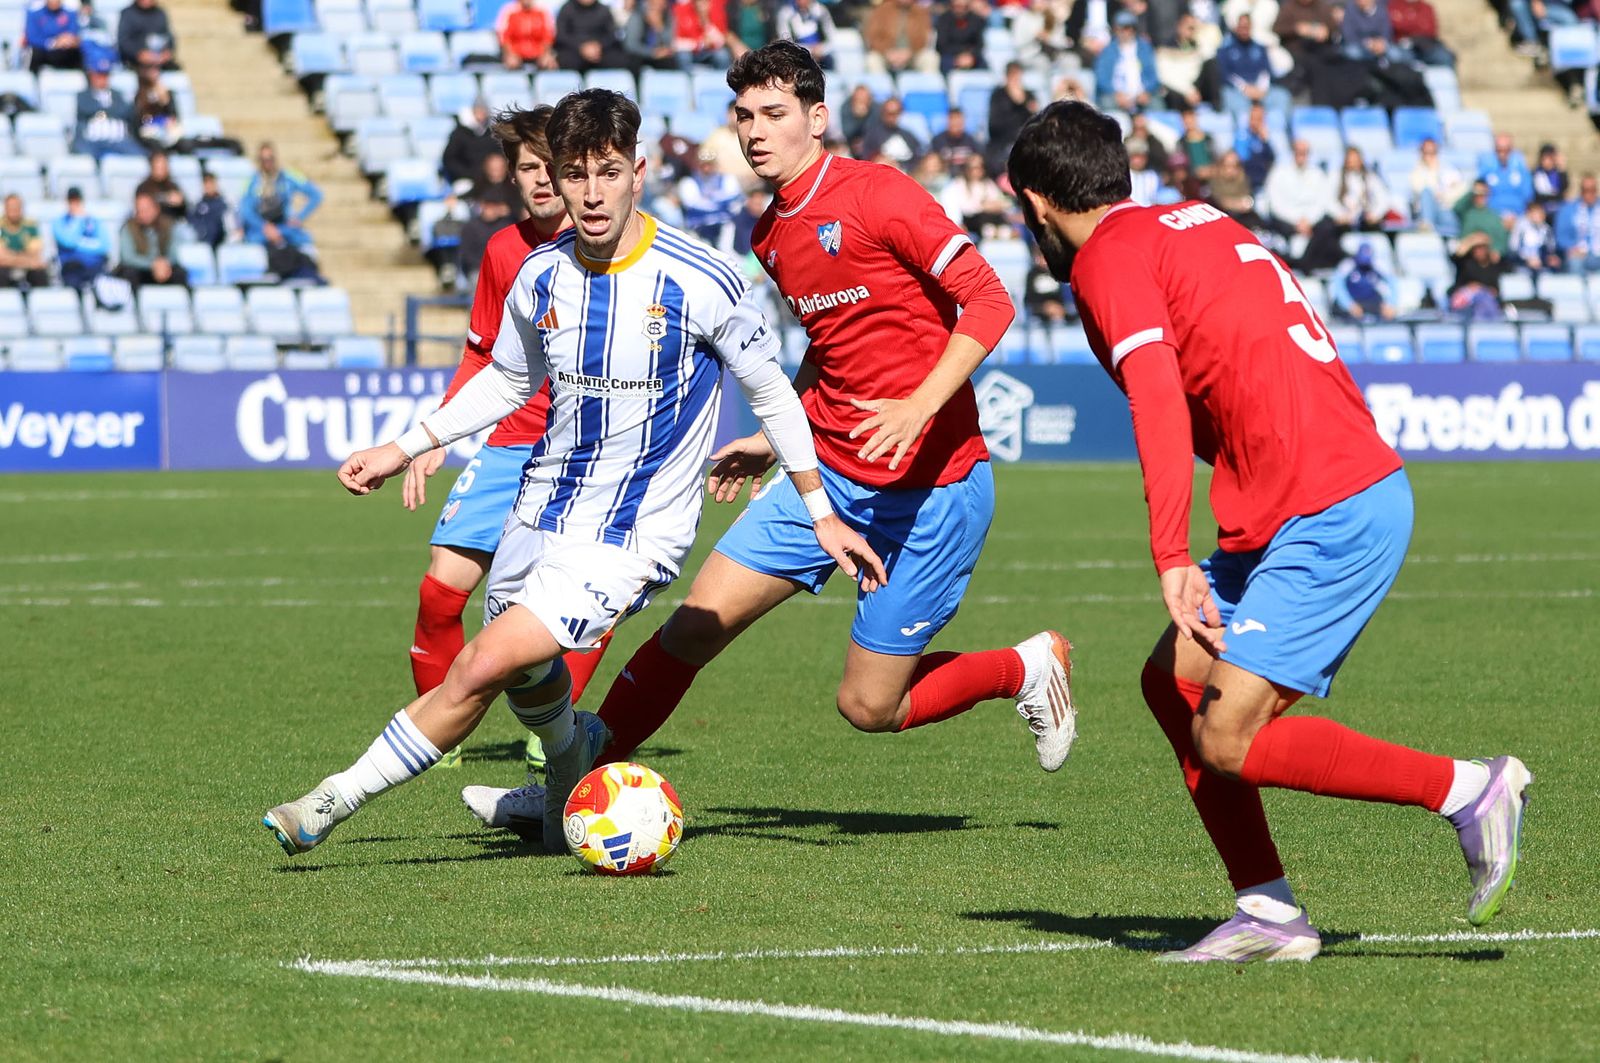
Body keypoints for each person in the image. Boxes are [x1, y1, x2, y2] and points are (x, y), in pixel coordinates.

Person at [462, 42, 1073, 832]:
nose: (755, 131)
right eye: (744, 115)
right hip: (829, 476)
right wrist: (776, 431)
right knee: (692, 625)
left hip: (933, 490)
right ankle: (572, 788)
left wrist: (919, 405)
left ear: (817, 120)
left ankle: (1023, 666)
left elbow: (988, 299)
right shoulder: (770, 234)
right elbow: (832, 341)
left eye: (774, 114)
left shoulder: (881, 194)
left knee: (868, 703)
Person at [262, 88, 886, 856]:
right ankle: (566, 777)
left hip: (632, 534)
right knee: (530, 681)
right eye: (575, 174)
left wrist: (819, 509)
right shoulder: (540, 275)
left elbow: (774, 397)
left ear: (639, 172)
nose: (591, 194)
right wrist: (405, 445)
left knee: (483, 662)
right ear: (554, 179)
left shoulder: (702, 279)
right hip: (538, 512)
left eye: (609, 172)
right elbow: (507, 381)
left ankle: (327, 802)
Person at [1007, 99, 1531, 964]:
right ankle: (1269, 911)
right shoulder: (1195, 219)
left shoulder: (1107, 258)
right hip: (1292, 499)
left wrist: (1172, 552)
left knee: (1226, 735)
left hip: (1325, 504)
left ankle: (1469, 790)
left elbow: (1159, 399)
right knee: (1172, 683)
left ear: (1035, 205)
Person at [401, 106, 623, 777]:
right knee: (441, 591)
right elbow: (480, 354)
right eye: (527, 167)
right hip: (509, 444)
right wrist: (436, 433)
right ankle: (440, 728)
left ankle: (552, 728)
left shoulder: (611, 244)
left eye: (548, 166)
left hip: (585, 452)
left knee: (584, 600)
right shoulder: (503, 250)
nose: (540, 180)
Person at [239, 142, 324, 277]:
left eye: (270, 158)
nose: (267, 162)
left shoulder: (289, 176)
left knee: (305, 243)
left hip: (285, 228)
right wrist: (265, 227)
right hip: (261, 231)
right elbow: (245, 209)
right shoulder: (252, 181)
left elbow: (316, 195)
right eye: (263, 159)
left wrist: (299, 217)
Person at [73, 57, 145, 160]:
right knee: (82, 154)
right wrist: (109, 111)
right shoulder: (83, 95)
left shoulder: (117, 95)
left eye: (105, 75)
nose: (102, 79)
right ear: (91, 75)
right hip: (93, 141)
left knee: (140, 154)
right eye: (98, 75)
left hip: (118, 140)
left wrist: (101, 112)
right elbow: (86, 109)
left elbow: (126, 111)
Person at [1215, 14, 1286, 117]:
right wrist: (1244, 88)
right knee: (1236, 104)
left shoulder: (1260, 48)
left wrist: (1261, 89)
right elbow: (1226, 75)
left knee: (1282, 96)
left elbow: (1266, 71)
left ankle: (1280, 131)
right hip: (1236, 91)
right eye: (1242, 27)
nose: (1244, 30)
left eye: (1247, 27)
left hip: (1260, 89)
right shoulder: (1225, 50)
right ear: (1236, 27)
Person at [116, 191, 189, 289]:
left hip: (164, 270)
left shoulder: (169, 225)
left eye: (146, 209)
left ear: (156, 209)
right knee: (129, 273)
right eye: (139, 210)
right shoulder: (128, 227)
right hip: (142, 270)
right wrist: (152, 265)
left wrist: (163, 265)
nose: (143, 214)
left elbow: (174, 253)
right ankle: (135, 303)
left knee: (180, 273)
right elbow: (128, 257)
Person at [678, 146, 745, 250]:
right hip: (699, 226)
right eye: (703, 165)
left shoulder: (727, 179)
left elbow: (735, 198)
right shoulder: (688, 182)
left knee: (727, 247)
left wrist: (710, 199)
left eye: (710, 164)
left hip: (724, 225)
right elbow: (694, 205)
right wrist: (719, 201)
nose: (707, 168)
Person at [1094, 11, 1159, 112]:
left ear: (1134, 29)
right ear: (1115, 29)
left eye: (1128, 28)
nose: (1125, 32)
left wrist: (1146, 92)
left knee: (1157, 105)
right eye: (1121, 28)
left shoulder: (1145, 48)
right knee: (1106, 104)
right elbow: (1102, 78)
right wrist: (1116, 94)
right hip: (1116, 95)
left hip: (1141, 95)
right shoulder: (1108, 50)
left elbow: (1153, 75)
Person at [53, 187, 113, 291]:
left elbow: (104, 246)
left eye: (77, 200)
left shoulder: (94, 221)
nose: (74, 204)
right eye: (71, 201)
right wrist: (78, 219)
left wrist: (79, 243)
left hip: (95, 266)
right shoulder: (59, 222)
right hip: (72, 267)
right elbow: (68, 242)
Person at [940, 152, 1011, 239]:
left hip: (991, 217)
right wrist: (982, 206)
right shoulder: (958, 184)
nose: (976, 171)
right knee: (982, 221)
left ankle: (1003, 233)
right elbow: (964, 207)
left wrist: (993, 206)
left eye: (980, 167)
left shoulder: (988, 184)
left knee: (1001, 221)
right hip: (972, 220)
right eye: (973, 168)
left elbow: (1000, 202)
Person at [863, 0, 937, 75]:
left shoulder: (921, 11)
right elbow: (873, 36)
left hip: (913, 54)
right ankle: (880, 86)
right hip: (887, 54)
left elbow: (923, 38)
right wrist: (887, 52)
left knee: (930, 58)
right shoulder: (882, 10)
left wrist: (910, 52)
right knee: (872, 60)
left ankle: (925, 86)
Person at [1409, 137, 1464, 236]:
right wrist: (1432, 170)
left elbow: (1460, 190)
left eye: (1432, 152)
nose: (1429, 156)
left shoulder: (1448, 168)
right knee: (1426, 192)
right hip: (1424, 212)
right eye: (1426, 152)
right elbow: (1420, 190)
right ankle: (1427, 226)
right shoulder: (1416, 171)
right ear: (1421, 153)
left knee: (1451, 220)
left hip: (1445, 209)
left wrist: (1444, 196)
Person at [1449, 230, 1509, 318]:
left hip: (1485, 297)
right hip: (1466, 296)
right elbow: (1456, 255)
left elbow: (1495, 290)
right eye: (1476, 248)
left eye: (1482, 248)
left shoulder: (1493, 265)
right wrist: (1472, 240)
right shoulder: (1465, 262)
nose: (1479, 251)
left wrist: (1479, 288)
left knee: (1484, 299)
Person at [1329, 243, 1397, 320]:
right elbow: (1338, 286)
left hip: (1369, 301)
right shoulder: (1347, 265)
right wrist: (1349, 305)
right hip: (1352, 301)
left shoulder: (1377, 265)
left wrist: (1390, 304)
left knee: (1386, 313)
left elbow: (1393, 282)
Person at [554, 0, 628, 71]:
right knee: (564, 61)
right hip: (574, 51)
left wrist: (599, 46)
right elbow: (561, 35)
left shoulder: (604, 10)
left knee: (622, 60)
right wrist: (581, 47)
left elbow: (612, 35)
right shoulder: (566, 9)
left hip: (600, 51)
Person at [443, 99, 498, 192]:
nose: (481, 114)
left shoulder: (492, 133)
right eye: (478, 110)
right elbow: (449, 159)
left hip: (490, 179)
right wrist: (469, 174)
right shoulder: (460, 133)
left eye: (483, 111)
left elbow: (498, 155)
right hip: (465, 179)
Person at [1333, 146, 1391, 231]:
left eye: (1355, 159)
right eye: (1350, 159)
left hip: (1365, 219)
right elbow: (1329, 199)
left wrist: (1375, 215)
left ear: (1361, 160)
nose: (1352, 162)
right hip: (1344, 218)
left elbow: (1384, 198)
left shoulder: (1370, 177)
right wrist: (1339, 214)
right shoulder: (1336, 177)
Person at [0, 194, 51, 290]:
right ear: (5, 208)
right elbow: (1, 257)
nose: (14, 210)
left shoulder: (30, 226)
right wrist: (27, 259)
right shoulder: (1, 226)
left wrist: (10, 257)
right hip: (6, 269)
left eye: (16, 207)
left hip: (27, 269)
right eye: (11, 207)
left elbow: (36, 256)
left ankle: (42, 303)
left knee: (40, 274)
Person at [1480, 135, 1534, 223]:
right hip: (1493, 218)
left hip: (1518, 217)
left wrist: (1515, 216)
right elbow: (1481, 197)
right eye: (1499, 150)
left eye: (1506, 150)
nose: (1502, 154)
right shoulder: (1486, 169)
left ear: (1511, 150)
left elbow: (1527, 196)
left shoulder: (1521, 170)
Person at [859, 95, 923, 167]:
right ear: (883, 113)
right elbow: (866, 158)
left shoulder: (908, 136)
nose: (892, 117)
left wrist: (900, 165)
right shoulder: (873, 135)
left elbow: (918, 158)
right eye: (889, 113)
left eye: (896, 113)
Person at [1555, 174, 1600, 274]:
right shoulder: (1568, 209)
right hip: (1578, 254)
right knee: (1574, 263)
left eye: (1592, 190)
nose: (1589, 194)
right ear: (1581, 190)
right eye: (1585, 190)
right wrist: (1572, 248)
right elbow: (1561, 236)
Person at [132, 62, 182, 150]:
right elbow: (138, 117)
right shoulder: (139, 94)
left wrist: (165, 100)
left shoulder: (166, 92)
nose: (154, 73)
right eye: (151, 70)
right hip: (148, 128)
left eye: (156, 70)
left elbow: (174, 115)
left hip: (165, 128)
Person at [496, 0, 557, 69]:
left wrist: (545, 54)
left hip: (538, 54)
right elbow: (504, 37)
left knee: (549, 63)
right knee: (511, 64)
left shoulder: (543, 11)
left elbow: (548, 36)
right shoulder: (509, 11)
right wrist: (510, 54)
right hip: (516, 54)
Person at [775, 0, 835, 69]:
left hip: (822, 57)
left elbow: (831, 37)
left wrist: (822, 49)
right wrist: (809, 51)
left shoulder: (821, 11)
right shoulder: (786, 13)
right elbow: (786, 42)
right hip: (798, 58)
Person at [24, 0, 81, 72]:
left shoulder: (71, 14)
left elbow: (72, 34)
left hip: (64, 52)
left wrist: (66, 41)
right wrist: (54, 42)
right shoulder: (34, 15)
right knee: (35, 54)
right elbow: (32, 38)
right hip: (43, 52)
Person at [117, 0, 176, 69]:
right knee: (149, 72)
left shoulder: (160, 13)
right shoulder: (127, 14)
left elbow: (169, 37)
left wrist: (167, 52)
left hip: (160, 61)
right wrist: (138, 54)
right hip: (134, 62)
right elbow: (124, 41)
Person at [933, 0, 987, 73]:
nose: (960, 10)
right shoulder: (944, 19)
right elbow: (941, 44)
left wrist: (970, 56)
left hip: (970, 56)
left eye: (963, 7)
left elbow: (979, 45)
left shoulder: (977, 20)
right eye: (957, 6)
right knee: (945, 63)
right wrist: (958, 57)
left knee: (983, 65)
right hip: (950, 55)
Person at [1510, 200, 1561, 274]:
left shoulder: (1547, 230)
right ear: (1528, 214)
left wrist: (1551, 258)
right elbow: (1513, 250)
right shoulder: (1520, 228)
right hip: (1522, 267)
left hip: (1541, 267)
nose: (1540, 215)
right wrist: (1527, 260)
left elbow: (1550, 250)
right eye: (1536, 213)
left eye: (1541, 212)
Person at [137, 150, 189, 221]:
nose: (161, 168)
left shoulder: (173, 186)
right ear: (152, 166)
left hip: (171, 225)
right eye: (158, 164)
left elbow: (184, 210)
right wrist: (166, 199)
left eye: (164, 165)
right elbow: (142, 209)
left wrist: (181, 203)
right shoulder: (143, 187)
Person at [929, 107, 983, 173]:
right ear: (947, 121)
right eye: (952, 119)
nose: (955, 123)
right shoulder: (938, 141)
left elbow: (979, 159)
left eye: (958, 119)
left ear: (963, 121)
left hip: (966, 177)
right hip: (944, 177)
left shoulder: (971, 140)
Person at [189, 170, 231, 248]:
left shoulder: (223, 205)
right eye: (206, 183)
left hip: (220, 242)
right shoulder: (198, 205)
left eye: (211, 183)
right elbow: (192, 220)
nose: (208, 186)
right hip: (202, 242)